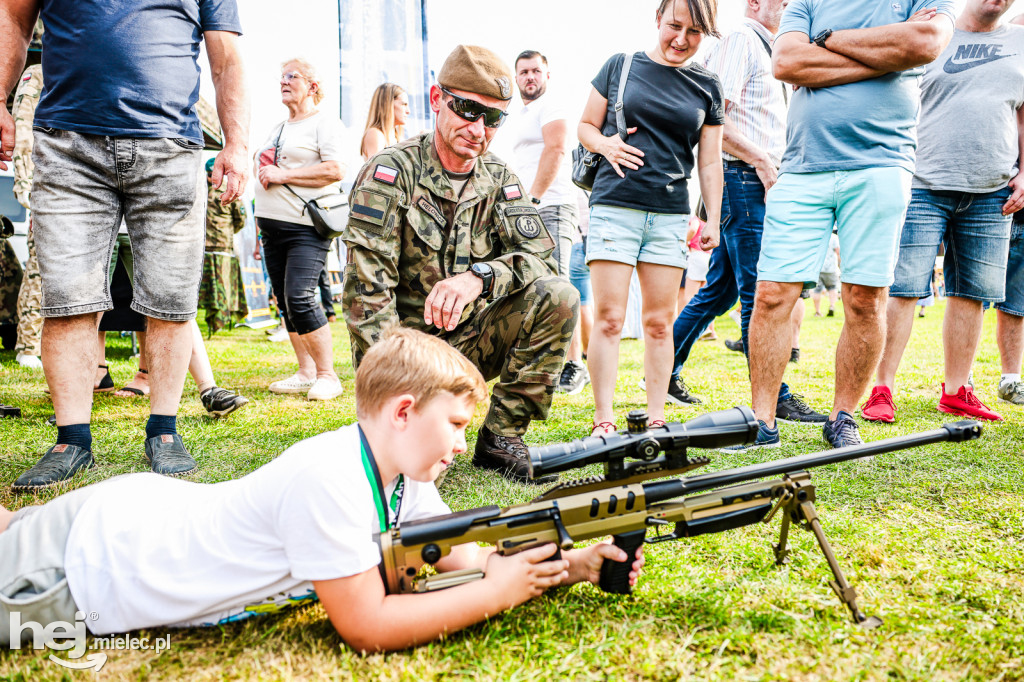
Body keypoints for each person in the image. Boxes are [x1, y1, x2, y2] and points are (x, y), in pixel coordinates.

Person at [0, 328, 644, 652]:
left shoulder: (403, 478)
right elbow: (366, 623)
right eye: (452, 425)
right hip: (83, 571)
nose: (458, 445)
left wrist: (573, 565)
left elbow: (469, 558)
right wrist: (497, 597)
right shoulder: (332, 479)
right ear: (401, 411)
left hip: (129, 519)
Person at [1, 0, 249, 492]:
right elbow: (12, 17)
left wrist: (237, 145)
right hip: (69, 144)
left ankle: (164, 430)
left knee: (171, 300)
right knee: (68, 299)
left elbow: (227, 56)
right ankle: (71, 440)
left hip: (170, 146)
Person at [342, 45, 579, 483]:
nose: (478, 129)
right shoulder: (390, 173)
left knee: (560, 296)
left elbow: (542, 258)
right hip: (404, 353)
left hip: (470, 340)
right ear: (437, 99)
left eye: (493, 118)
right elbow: (366, 297)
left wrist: (481, 277)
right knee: (417, 472)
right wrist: (393, 401)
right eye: (468, 110)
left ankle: (501, 436)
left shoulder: (500, 178)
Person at [746, 0, 955, 449]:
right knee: (770, 294)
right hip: (801, 166)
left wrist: (827, 42)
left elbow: (925, 43)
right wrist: (885, 56)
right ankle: (761, 421)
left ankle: (842, 416)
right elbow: (786, 61)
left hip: (881, 164)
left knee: (865, 298)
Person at [861, 0, 1022, 424]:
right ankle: (882, 388)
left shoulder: (1021, 42)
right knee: (902, 288)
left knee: (972, 294)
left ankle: (956, 391)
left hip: (992, 190)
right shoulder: (931, 31)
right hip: (920, 184)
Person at [670, 0, 825, 428]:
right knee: (760, 292)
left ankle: (665, 367)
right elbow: (712, 118)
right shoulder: (741, 39)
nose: (794, 7)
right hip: (742, 179)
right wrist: (760, 159)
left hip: (756, 181)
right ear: (756, 3)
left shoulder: (769, 48)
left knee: (719, 290)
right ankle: (776, 397)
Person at [579, 0, 724, 435]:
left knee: (660, 323)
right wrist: (606, 146)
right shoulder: (620, 66)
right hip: (614, 206)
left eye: (694, 32)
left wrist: (712, 218)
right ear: (657, 20)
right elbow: (586, 126)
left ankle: (657, 416)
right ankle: (603, 419)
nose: (681, 39)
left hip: (669, 216)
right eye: (674, 26)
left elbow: (711, 162)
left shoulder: (708, 86)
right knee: (608, 318)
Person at [255, 58, 346, 402]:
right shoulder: (278, 127)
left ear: (313, 85)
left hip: (306, 226)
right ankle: (306, 372)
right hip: (272, 227)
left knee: (301, 297)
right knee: (285, 301)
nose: (283, 81)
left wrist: (284, 175)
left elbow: (335, 168)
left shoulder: (325, 122)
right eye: (281, 76)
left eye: (292, 76)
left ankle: (327, 375)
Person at [506, 50, 589, 395]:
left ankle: (575, 366)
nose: (530, 77)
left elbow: (556, 150)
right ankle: (545, 363)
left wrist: (534, 200)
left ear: (547, 75)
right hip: (530, 209)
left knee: (559, 285)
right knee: (534, 287)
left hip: (552, 205)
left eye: (536, 71)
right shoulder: (519, 113)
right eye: (524, 72)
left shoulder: (551, 105)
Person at [12, 62, 42, 370]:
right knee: (40, 271)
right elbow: (23, 130)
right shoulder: (40, 73)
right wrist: (26, 186)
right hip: (46, 186)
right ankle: (28, 346)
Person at [200, 157, 249, 336]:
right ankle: (219, 319)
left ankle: (219, 320)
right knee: (221, 289)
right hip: (215, 247)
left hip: (214, 248)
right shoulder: (228, 191)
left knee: (217, 289)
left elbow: (240, 220)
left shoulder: (204, 190)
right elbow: (240, 221)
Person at [360, 82, 410, 160]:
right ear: (388, 105)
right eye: (404, 104)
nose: (408, 111)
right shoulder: (376, 134)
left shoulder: (397, 136)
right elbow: (376, 170)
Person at [812, 231, 840, 317]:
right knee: (832, 288)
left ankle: (817, 311)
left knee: (817, 290)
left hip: (818, 267)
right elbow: (838, 252)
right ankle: (832, 306)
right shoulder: (834, 237)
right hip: (831, 268)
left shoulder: (817, 236)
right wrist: (839, 264)